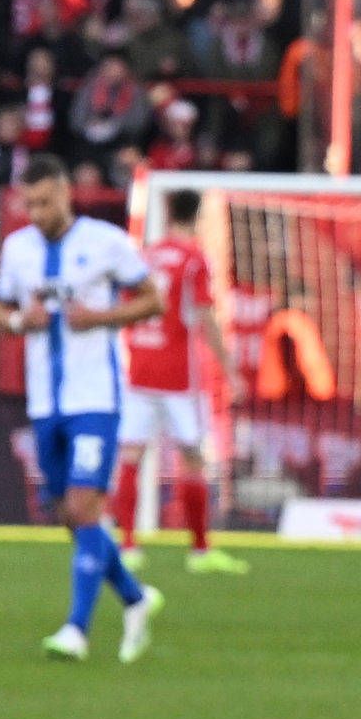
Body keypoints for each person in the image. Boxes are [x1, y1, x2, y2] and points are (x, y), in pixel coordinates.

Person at [0, 152, 162, 662]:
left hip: (96, 397)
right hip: (45, 400)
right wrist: (23, 323)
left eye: (46, 202)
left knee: (86, 505)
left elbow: (153, 300)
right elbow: (2, 313)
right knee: (70, 514)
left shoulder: (106, 242)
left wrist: (104, 316)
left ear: (66, 193)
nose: (38, 213)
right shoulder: (17, 249)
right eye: (30, 205)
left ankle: (76, 630)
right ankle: (134, 599)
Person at [116, 185, 249, 574]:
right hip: (178, 376)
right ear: (199, 215)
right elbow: (206, 317)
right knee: (192, 458)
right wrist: (230, 370)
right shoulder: (194, 259)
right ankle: (200, 551)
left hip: (140, 369)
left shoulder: (145, 256)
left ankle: (127, 544)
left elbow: (128, 309)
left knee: (130, 456)